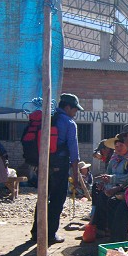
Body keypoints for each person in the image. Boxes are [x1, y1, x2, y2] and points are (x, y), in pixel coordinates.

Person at [31, 92, 83, 245]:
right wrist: (75, 175)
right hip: (59, 167)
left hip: (42, 165)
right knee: (56, 200)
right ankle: (50, 234)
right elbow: (74, 152)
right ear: (67, 107)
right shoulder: (69, 123)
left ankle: (36, 232)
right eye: (75, 110)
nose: (75, 113)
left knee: (42, 199)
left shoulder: (48, 118)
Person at [91, 137, 128, 236]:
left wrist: (111, 179)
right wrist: (103, 183)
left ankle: (110, 230)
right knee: (97, 190)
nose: (118, 148)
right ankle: (99, 225)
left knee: (108, 199)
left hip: (125, 187)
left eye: (121, 145)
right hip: (112, 185)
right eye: (116, 146)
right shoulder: (114, 158)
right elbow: (108, 172)